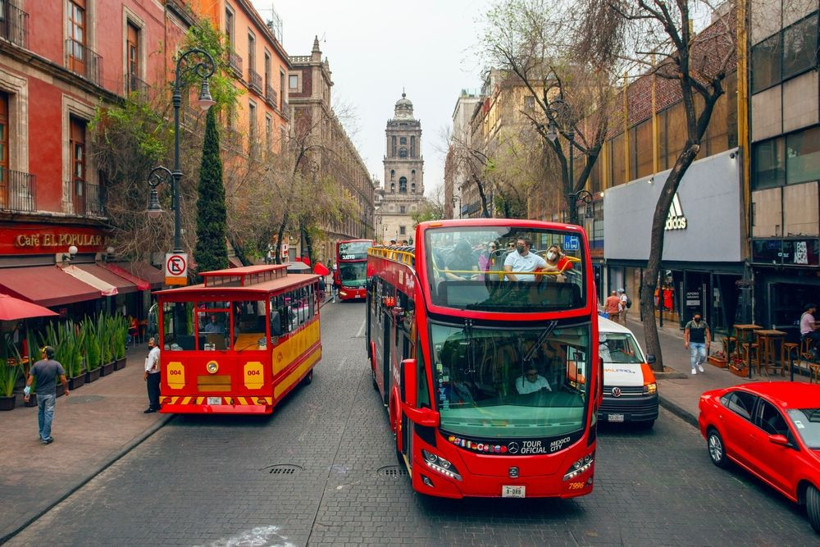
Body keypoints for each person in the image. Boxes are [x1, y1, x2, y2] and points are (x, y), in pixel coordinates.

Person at [23, 346, 68, 445]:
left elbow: (30, 380)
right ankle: (46, 437)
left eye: (43, 352)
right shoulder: (56, 365)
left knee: (41, 412)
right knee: (48, 413)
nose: (41, 354)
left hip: (39, 393)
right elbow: (63, 379)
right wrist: (66, 389)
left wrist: (26, 393)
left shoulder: (37, 365)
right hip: (50, 394)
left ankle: (41, 433)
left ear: (46, 354)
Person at [143, 337, 161, 413]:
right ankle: (158, 404)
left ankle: (152, 406)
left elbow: (150, 364)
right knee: (156, 389)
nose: (149, 345)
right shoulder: (159, 350)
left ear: (154, 344)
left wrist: (146, 372)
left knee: (151, 390)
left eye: (150, 343)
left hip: (152, 373)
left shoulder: (152, 353)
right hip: (158, 372)